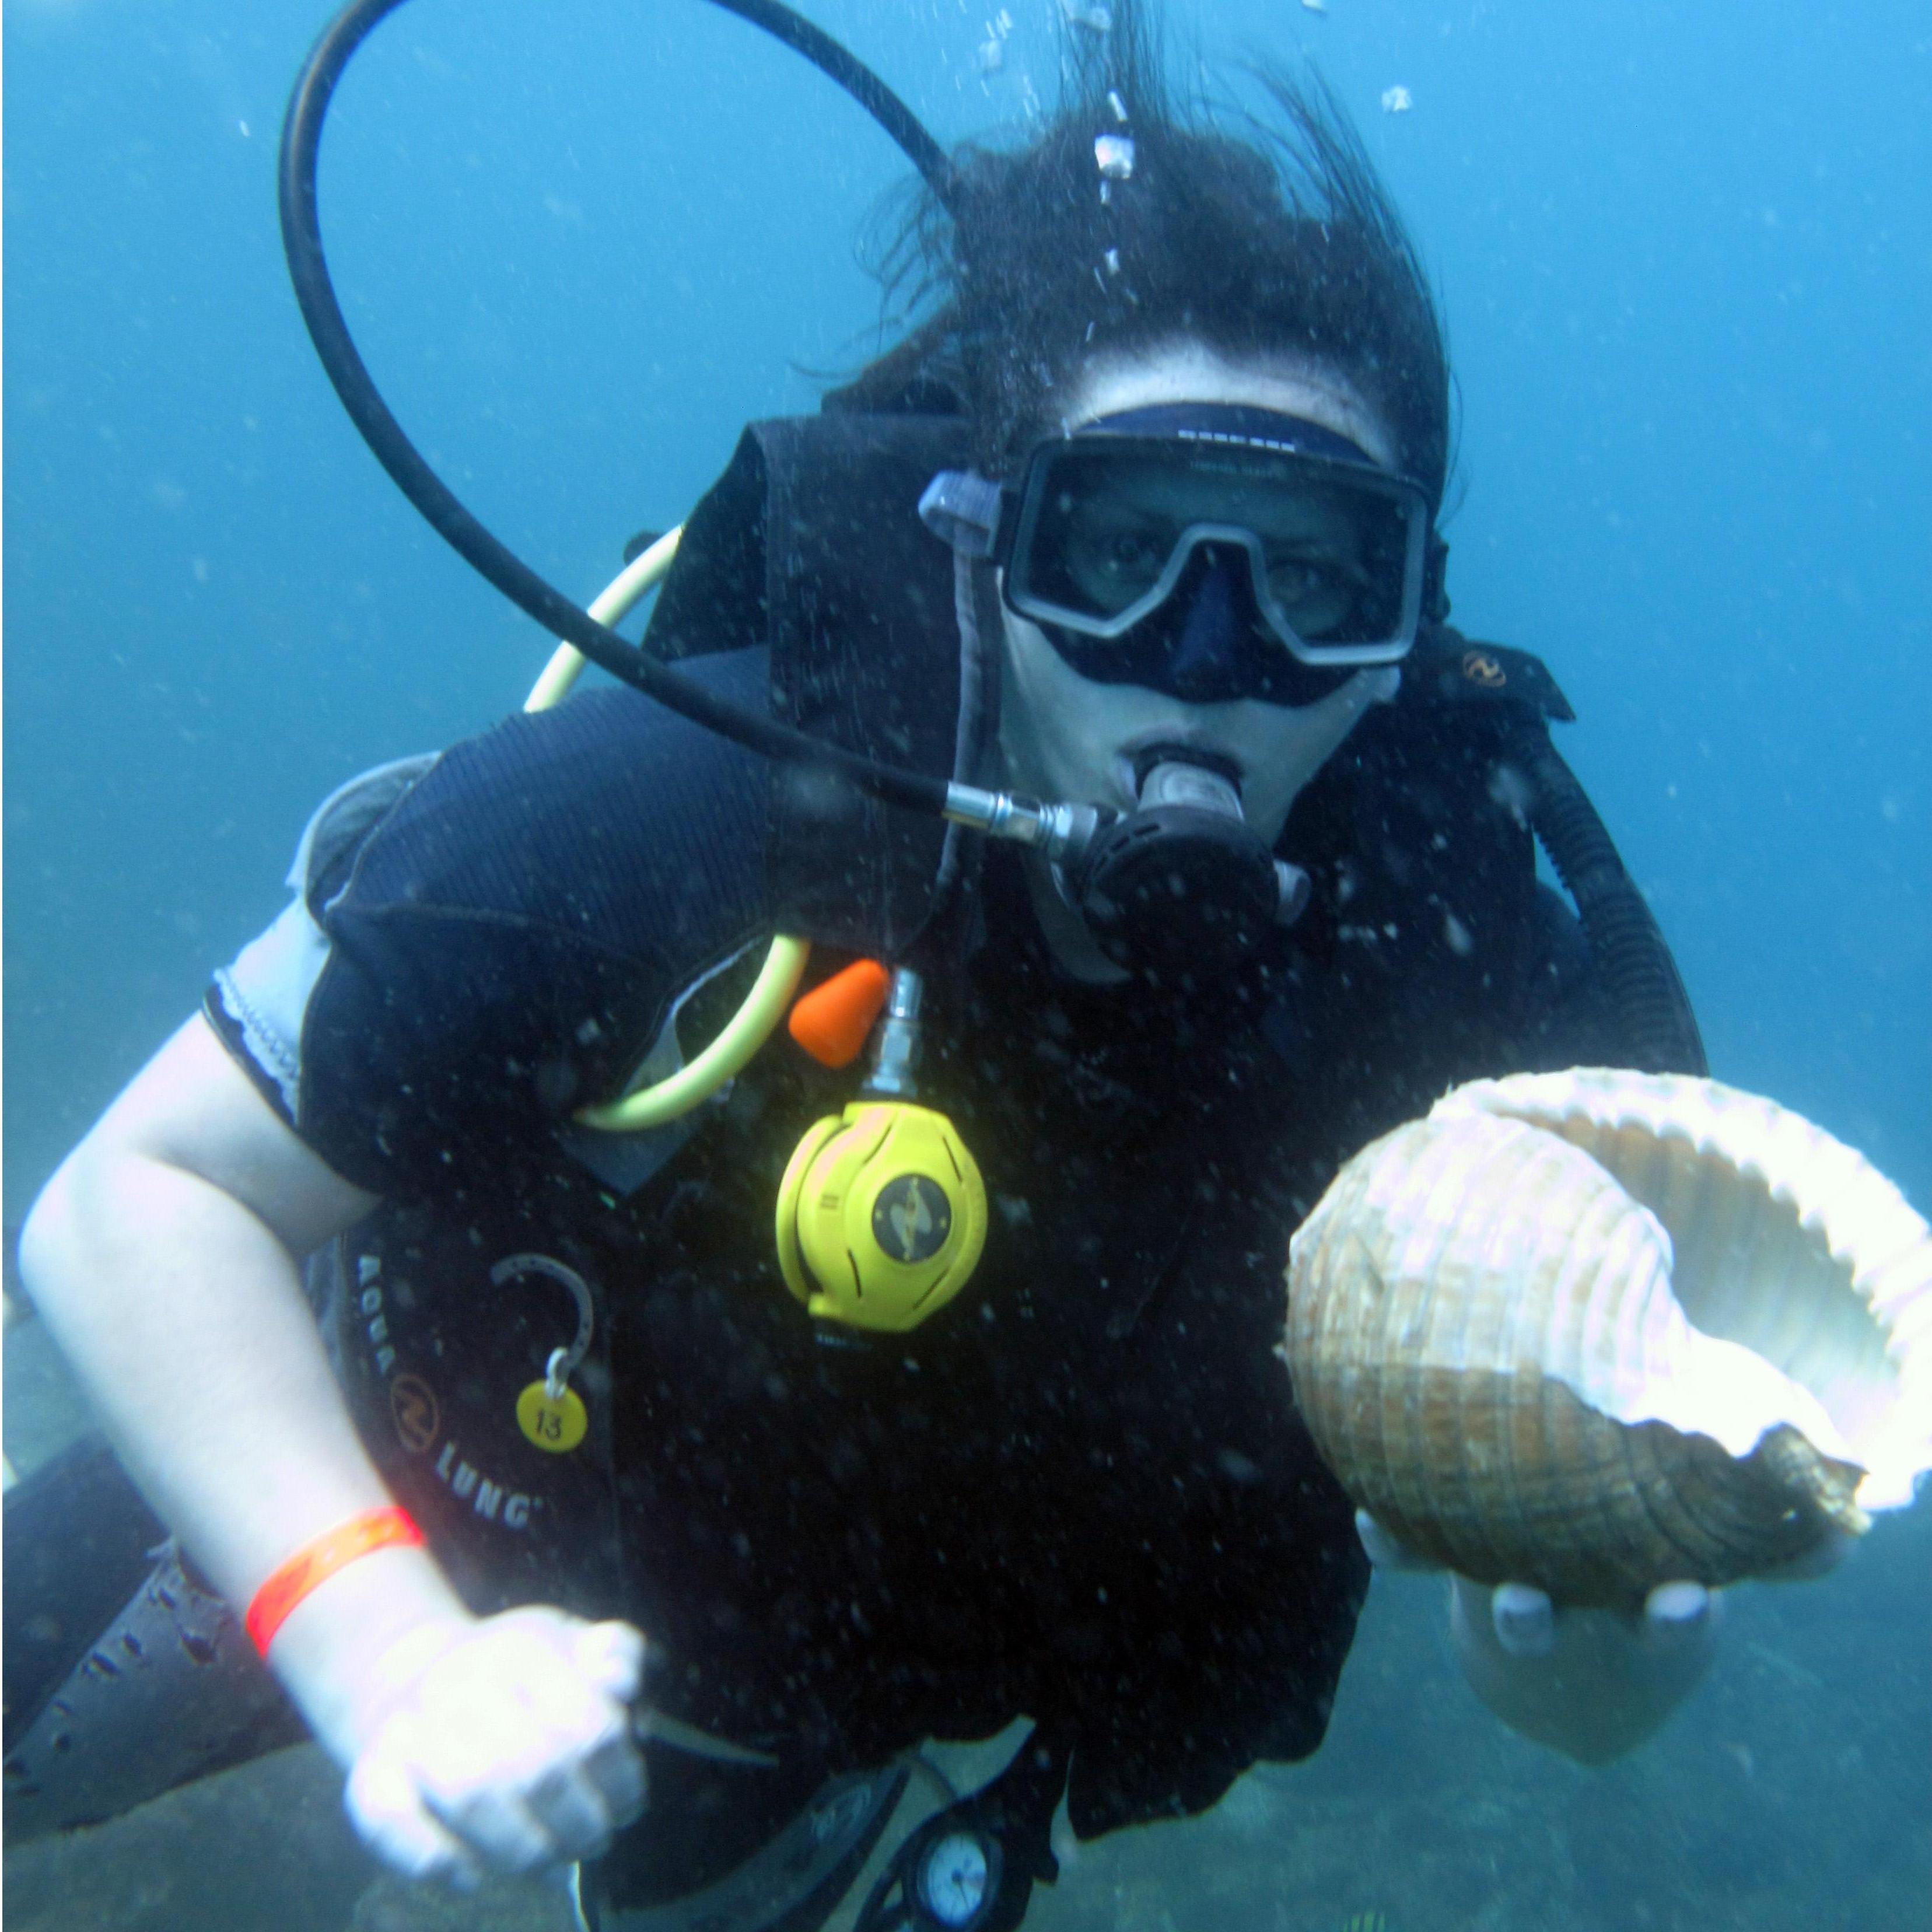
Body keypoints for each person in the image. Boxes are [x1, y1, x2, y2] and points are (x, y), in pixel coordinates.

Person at [5, 13, 1724, 1928]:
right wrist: (381, 1647)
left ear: (1411, 625)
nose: (1204, 658)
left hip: (798, 1746)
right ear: (992, 551)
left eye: (1316, 582)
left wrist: (1603, 1652)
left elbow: (1564, 1663)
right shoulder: (683, 805)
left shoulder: (1458, 993)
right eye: (1124, 553)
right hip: (388, 1474)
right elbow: (133, 1203)